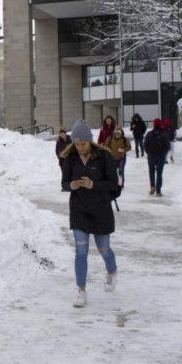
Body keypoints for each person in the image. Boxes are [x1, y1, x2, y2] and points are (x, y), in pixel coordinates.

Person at [60, 119, 120, 308]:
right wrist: (72, 185)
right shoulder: (70, 158)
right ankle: (81, 290)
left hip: (100, 210)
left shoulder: (104, 157)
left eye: (83, 144)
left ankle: (111, 271)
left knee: (104, 250)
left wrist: (93, 185)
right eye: (76, 144)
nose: (79, 147)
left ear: (90, 141)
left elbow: (114, 186)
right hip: (79, 210)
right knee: (81, 251)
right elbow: (64, 183)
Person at [143, 118, 170, 196]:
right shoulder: (164, 134)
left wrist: (149, 152)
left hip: (151, 156)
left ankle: (152, 187)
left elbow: (145, 145)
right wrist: (163, 153)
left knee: (151, 172)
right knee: (159, 173)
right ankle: (158, 190)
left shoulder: (149, 134)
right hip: (161, 156)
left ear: (154, 125)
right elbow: (167, 146)